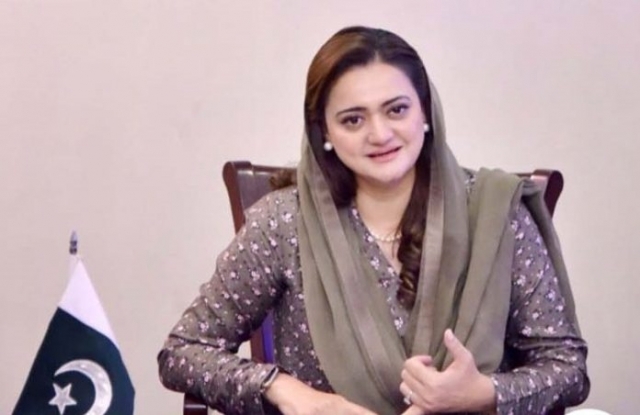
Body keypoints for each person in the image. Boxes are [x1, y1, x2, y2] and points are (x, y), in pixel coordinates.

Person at [158, 26, 589, 415]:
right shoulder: (285, 222)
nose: (380, 134)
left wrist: (481, 393)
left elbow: (566, 368)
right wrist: (288, 391)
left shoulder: (495, 214)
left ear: (425, 113)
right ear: (324, 132)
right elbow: (182, 351)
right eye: (353, 119)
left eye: (396, 110)